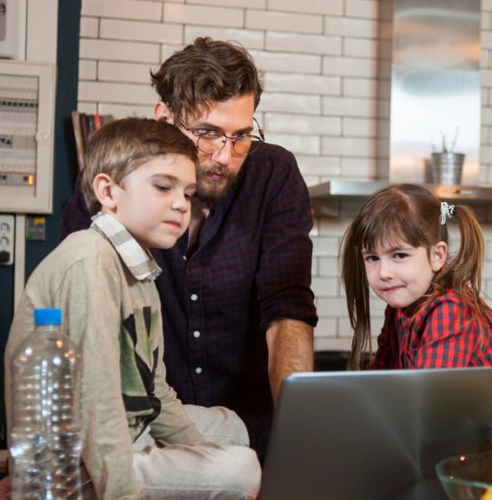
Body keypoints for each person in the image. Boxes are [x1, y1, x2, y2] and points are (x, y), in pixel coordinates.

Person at [0, 118, 261, 500]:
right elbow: (94, 390)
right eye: (163, 187)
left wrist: (197, 453)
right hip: (70, 457)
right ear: (108, 192)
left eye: (188, 193)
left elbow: (154, 391)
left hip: (119, 429)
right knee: (242, 469)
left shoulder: (140, 270)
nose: (181, 204)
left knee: (231, 428)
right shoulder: (90, 261)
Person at [61, 37, 317, 458]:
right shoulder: (116, 185)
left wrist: (300, 435)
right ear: (163, 118)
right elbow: (86, 318)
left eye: (241, 136)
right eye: (207, 134)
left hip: (250, 429)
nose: (224, 155)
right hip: (145, 431)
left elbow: (287, 307)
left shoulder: (274, 174)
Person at [341, 183, 492, 369]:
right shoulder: (397, 309)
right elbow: (381, 379)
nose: (384, 273)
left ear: (437, 256)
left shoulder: (450, 309)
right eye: (372, 258)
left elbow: (428, 395)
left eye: (400, 255)